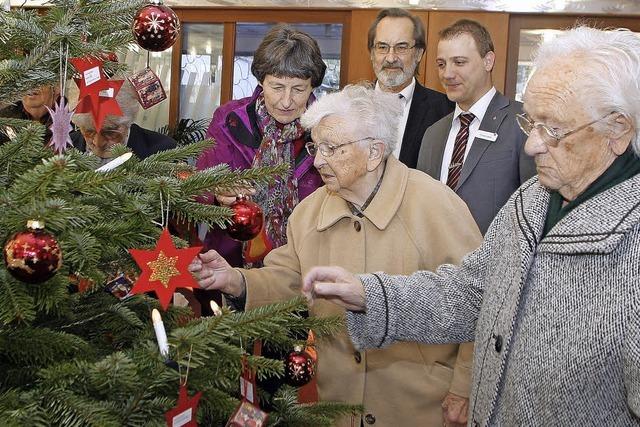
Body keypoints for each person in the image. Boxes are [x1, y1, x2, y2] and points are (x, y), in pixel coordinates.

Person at [303, 27, 640, 425]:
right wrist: (369, 294)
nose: (531, 145)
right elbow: (469, 294)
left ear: (617, 131)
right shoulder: (531, 199)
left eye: (554, 129)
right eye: (531, 122)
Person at [190, 85, 483, 427]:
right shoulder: (310, 212)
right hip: (338, 406)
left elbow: (478, 300)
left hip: (418, 407)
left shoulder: (436, 206)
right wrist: (235, 280)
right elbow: (290, 278)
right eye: (315, 146)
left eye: (332, 148)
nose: (317, 160)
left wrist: (463, 388)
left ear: (375, 152)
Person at [196, 25, 325, 269]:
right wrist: (217, 194)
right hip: (229, 264)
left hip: (306, 267)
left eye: (298, 89)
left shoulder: (327, 128)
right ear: (260, 81)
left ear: (312, 87)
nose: (286, 101)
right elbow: (198, 191)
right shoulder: (228, 119)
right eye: (277, 87)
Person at [416, 19, 536, 234]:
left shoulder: (522, 122)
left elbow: (535, 206)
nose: (447, 74)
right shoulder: (433, 135)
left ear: (488, 61)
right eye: (441, 64)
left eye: (459, 62)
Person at [368, 8, 454, 168]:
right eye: (382, 47)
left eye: (401, 47)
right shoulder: (349, 105)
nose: (391, 58)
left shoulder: (446, 111)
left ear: (419, 53)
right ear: (372, 53)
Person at [71, 80, 176, 164]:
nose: (98, 143)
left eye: (110, 133)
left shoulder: (162, 149)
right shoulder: (65, 147)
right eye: (89, 132)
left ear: (128, 123)